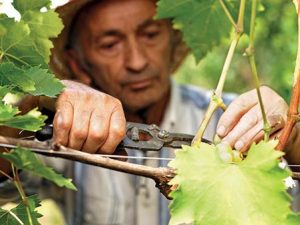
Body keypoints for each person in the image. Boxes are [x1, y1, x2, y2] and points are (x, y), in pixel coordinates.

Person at [0, 0, 299, 224]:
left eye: (150, 34)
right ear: (77, 64)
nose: (137, 60)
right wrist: (39, 99)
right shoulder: (60, 132)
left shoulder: (236, 120)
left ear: (171, 40)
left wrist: (293, 138)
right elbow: (5, 181)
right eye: (110, 44)